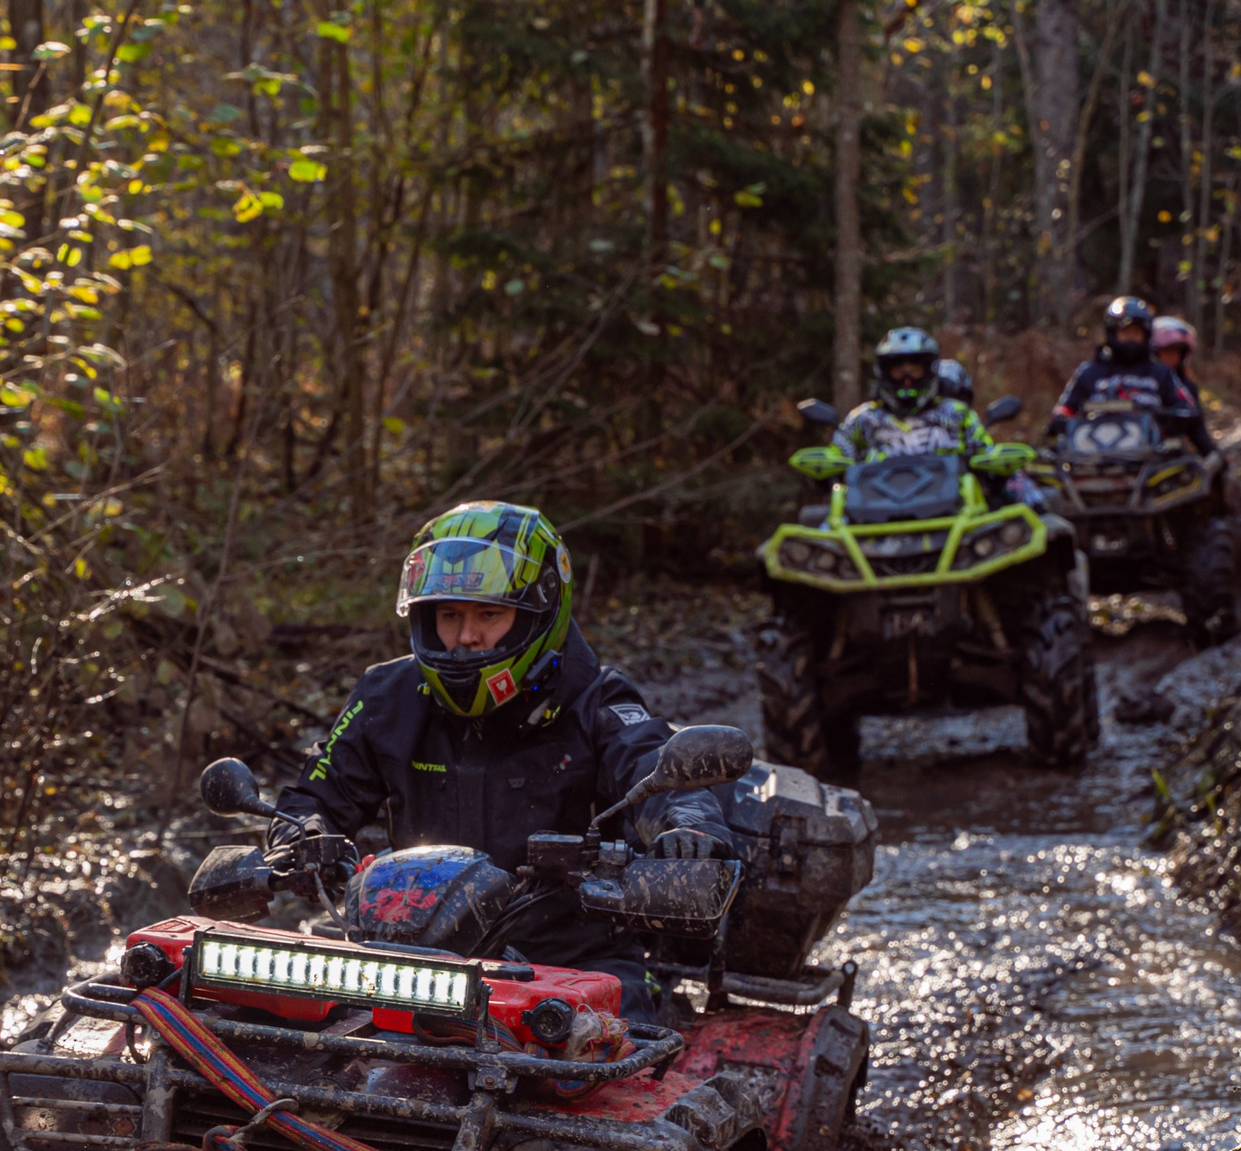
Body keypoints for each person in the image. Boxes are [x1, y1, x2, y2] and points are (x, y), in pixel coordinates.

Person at [275, 502, 732, 1021]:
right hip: (406, 958)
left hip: (568, 966)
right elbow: (317, 794)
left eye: (488, 614)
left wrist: (687, 833)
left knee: (606, 1059)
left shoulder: (596, 700)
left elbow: (655, 770)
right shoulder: (387, 695)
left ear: (539, 613)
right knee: (258, 1020)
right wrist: (298, 836)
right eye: (449, 615)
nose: (466, 636)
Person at [1049, 295, 1209, 450]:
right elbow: (1064, 409)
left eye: (1136, 333)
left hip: (1150, 459)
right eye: (1125, 333)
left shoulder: (1161, 374)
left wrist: (1168, 419)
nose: (1131, 338)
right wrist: (1061, 419)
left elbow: (1186, 408)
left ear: (1145, 336)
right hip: (1090, 456)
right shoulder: (1089, 373)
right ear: (1113, 334)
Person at [831, 328, 996, 464]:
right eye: (898, 372)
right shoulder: (864, 418)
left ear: (929, 370)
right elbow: (835, 456)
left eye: (915, 371)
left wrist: (999, 466)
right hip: (874, 503)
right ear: (884, 373)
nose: (907, 380)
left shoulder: (958, 414)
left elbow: (988, 454)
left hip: (952, 502)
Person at [1151, 315, 1202, 411]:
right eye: (1167, 350)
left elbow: (1197, 420)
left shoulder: (1187, 387)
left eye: (1177, 351)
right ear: (1156, 352)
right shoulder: (1145, 382)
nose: (1172, 356)